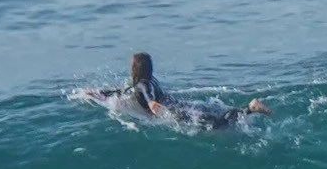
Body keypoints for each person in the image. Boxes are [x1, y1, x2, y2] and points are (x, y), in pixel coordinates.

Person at [107, 54, 270, 127]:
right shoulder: (150, 81)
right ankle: (246, 110)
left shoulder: (142, 85)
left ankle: (250, 108)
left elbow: (151, 101)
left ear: (135, 69)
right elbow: (127, 90)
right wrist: (99, 93)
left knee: (217, 124)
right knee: (218, 114)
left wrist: (156, 110)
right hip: (182, 104)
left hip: (177, 111)